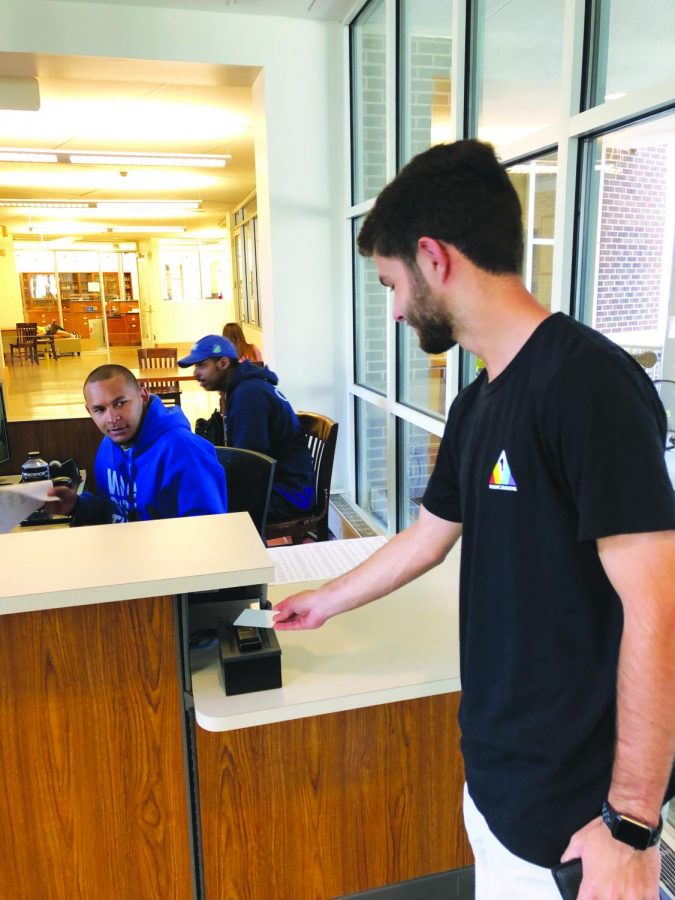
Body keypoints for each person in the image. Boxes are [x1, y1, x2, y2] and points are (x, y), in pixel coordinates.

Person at [273, 140, 675, 899]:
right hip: (496, 779)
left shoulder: (587, 385)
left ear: (433, 258)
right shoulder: (478, 398)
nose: (392, 308)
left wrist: (629, 826)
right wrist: (324, 600)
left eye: (391, 283)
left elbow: (659, 607)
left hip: (578, 819)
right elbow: (428, 536)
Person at [48, 364, 228, 524]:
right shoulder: (107, 446)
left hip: (170, 558)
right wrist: (77, 505)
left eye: (120, 403)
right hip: (125, 552)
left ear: (143, 396)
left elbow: (207, 530)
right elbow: (112, 511)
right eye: (100, 410)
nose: (112, 418)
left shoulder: (184, 451)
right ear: (89, 410)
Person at [178, 335, 315, 523]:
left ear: (223, 363)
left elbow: (249, 462)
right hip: (283, 485)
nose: (196, 373)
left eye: (202, 365)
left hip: (289, 494)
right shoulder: (246, 388)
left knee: (203, 506)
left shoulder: (249, 396)